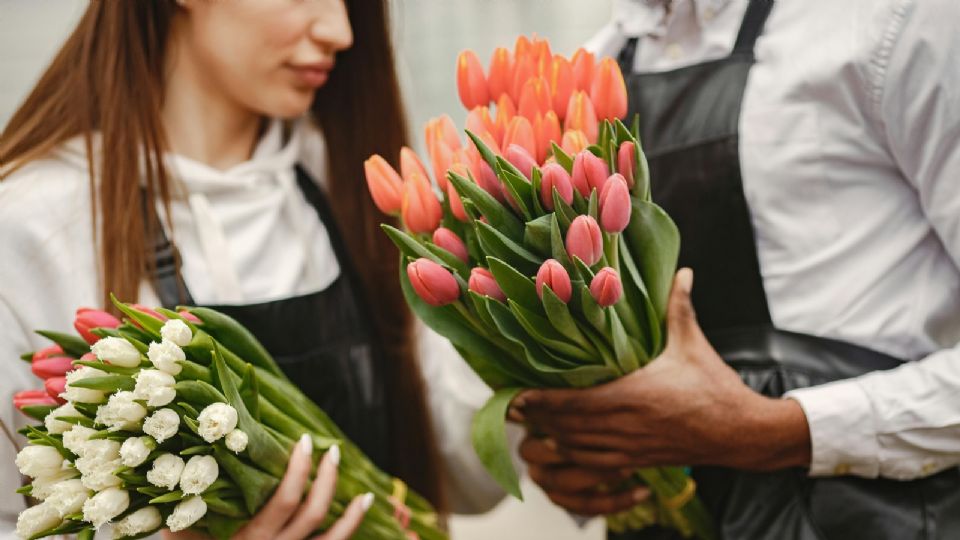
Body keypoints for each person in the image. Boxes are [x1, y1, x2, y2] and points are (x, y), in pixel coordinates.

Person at [0, 1, 503, 538]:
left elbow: (462, 467)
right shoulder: (31, 228)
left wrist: (545, 370)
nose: (341, 31)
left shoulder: (353, 179)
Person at [512, 0, 960, 538]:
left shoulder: (897, 21)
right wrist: (586, 459)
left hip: (884, 516)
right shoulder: (589, 68)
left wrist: (785, 432)